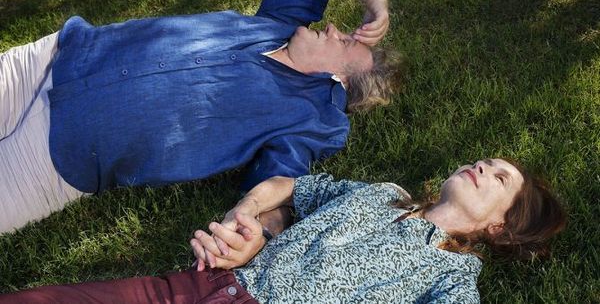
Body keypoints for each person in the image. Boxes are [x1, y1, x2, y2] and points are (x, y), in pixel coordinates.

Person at [0, 0, 406, 234]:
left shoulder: (312, 118)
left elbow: (281, 189)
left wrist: (254, 227)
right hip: (51, 60)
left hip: (57, 156)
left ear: (338, 79)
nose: (334, 27)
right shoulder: (279, 23)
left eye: (346, 41)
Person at [0, 158, 567, 303]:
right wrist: (243, 222)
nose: (482, 168)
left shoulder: (452, 276)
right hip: (198, 285)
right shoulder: (381, 194)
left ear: (499, 227)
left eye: (499, 179)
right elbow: (284, 186)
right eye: (487, 161)